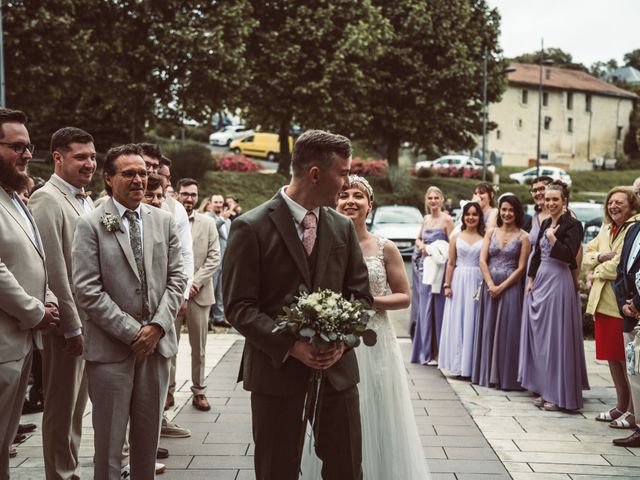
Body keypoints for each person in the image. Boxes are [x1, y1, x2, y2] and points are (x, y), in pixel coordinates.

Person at [222, 130, 372, 480]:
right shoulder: (250, 227)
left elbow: (361, 297)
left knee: (347, 468)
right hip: (275, 374)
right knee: (277, 469)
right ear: (316, 174)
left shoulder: (342, 228)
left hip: (337, 375)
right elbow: (239, 306)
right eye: (343, 172)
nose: (347, 181)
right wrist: (292, 346)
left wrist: (340, 341)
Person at [301, 175, 430, 478]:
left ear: (370, 205)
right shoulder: (320, 245)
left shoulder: (385, 248)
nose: (350, 201)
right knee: (338, 416)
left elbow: (404, 297)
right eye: (344, 194)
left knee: (377, 408)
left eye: (359, 196)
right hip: (335, 341)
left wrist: (368, 301)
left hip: (375, 340)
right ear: (335, 201)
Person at [72, 144, 187, 480]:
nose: (139, 180)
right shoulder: (90, 224)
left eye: (142, 173)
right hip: (111, 350)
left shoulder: (163, 221)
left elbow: (178, 278)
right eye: (129, 173)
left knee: (148, 440)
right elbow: (87, 290)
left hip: (157, 347)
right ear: (109, 179)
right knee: (108, 443)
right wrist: (132, 332)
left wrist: (157, 328)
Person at [28, 127, 96, 480]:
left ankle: (70, 470)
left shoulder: (84, 198)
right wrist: (71, 326)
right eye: (80, 157)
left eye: (93, 156)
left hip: (89, 321)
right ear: (58, 157)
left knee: (76, 406)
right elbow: (54, 270)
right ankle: (60, 473)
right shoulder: (47, 199)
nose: (90, 164)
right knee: (60, 405)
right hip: (66, 325)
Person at [0, 108, 60, 476]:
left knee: (5, 442)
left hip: (19, 343)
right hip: (4, 339)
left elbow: (37, 257)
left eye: (28, 146)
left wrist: (48, 298)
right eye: (17, 147)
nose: (26, 155)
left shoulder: (14, 196)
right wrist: (35, 310)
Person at [519, 181, 589, 411]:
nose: (550, 203)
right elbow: (537, 254)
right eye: (547, 199)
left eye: (555, 200)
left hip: (559, 281)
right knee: (542, 339)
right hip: (541, 280)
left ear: (564, 200)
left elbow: (569, 256)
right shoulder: (547, 221)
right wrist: (531, 280)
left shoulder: (574, 225)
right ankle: (545, 387)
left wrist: (552, 239)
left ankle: (560, 395)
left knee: (556, 339)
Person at [584, 187, 640, 429]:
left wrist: (596, 269)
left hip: (617, 304)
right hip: (602, 303)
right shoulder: (607, 228)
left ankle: (631, 409)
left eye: (619, 202)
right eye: (610, 202)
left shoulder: (632, 228)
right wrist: (598, 259)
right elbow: (587, 253)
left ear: (632, 205)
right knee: (611, 359)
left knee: (625, 359)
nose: (613, 206)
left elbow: (619, 265)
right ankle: (620, 404)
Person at [170, 178, 221, 411]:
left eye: (193, 194)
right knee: (170, 346)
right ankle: (168, 391)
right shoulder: (169, 218)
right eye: (185, 194)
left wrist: (194, 284)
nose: (189, 198)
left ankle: (199, 391)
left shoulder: (208, 223)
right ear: (177, 194)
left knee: (198, 347)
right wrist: (180, 287)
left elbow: (214, 258)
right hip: (172, 294)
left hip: (199, 295)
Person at [472, 195, 530, 390]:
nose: (507, 214)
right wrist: (490, 284)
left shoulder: (524, 237)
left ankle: (506, 377)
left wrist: (502, 287)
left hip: (510, 286)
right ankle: (486, 374)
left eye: (511, 210)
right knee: (488, 327)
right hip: (489, 285)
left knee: (508, 330)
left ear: (517, 213)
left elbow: (522, 268)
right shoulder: (490, 232)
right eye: (504, 209)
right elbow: (482, 260)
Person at [438, 202, 485, 378]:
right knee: (459, 320)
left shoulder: (485, 236)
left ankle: (473, 366)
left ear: (480, 217)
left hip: (477, 280)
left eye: (475, 214)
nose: (471, 218)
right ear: (463, 216)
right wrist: (447, 285)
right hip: (458, 281)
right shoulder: (456, 238)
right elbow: (450, 263)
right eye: (468, 214)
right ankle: (458, 365)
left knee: (474, 321)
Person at [410, 186, 454, 365]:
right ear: (426, 201)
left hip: (439, 269)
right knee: (424, 308)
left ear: (442, 200)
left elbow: (453, 245)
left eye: (436, 198)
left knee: (437, 308)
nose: (433, 201)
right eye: (430, 198)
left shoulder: (447, 220)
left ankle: (437, 352)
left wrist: (435, 249)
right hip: (424, 266)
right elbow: (418, 238)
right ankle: (424, 351)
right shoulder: (426, 219)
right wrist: (422, 245)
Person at [207, 194, 231, 328]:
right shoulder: (207, 218)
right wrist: (222, 218)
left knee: (221, 291)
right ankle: (208, 318)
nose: (218, 204)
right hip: (213, 260)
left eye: (220, 202)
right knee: (212, 289)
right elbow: (211, 230)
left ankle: (219, 317)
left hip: (224, 260)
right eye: (216, 202)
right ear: (210, 203)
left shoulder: (227, 221)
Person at [527, 176, 554, 271]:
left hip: (552, 269)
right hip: (533, 268)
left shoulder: (563, 215)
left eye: (542, 189)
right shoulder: (535, 217)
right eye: (534, 190)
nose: (538, 193)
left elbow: (577, 250)